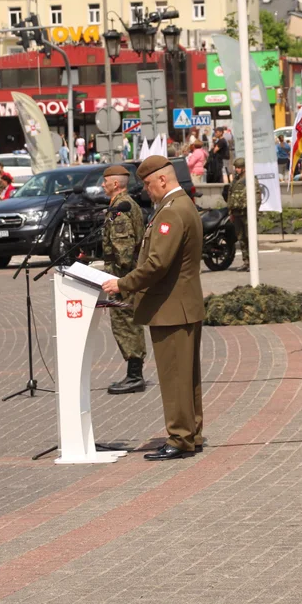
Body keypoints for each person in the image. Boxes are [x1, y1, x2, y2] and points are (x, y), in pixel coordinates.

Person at [101, 155, 204, 460]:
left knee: (175, 378)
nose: (145, 191)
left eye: (147, 184)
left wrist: (123, 284)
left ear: (162, 180)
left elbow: (157, 263)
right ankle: (191, 432)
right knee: (187, 377)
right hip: (182, 305)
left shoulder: (172, 212)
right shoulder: (181, 205)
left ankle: (180, 438)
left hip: (172, 308)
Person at [100, 165, 149, 395]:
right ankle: (134, 373)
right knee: (129, 321)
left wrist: (121, 279)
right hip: (125, 274)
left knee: (125, 322)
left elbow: (124, 249)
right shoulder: (125, 204)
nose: (103, 185)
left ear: (116, 184)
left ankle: (134, 376)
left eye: (105, 181)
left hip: (122, 275)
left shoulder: (120, 209)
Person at [227, 157, 249, 272]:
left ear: (244, 168)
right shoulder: (235, 181)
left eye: (239, 168)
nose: (237, 170)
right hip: (236, 213)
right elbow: (230, 196)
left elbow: (256, 198)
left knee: (248, 237)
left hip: (246, 214)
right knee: (241, 238)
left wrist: (252, 212)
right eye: (236, 168)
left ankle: (251, 261)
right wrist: (230, 212)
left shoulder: (249, 180)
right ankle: (245, 261)